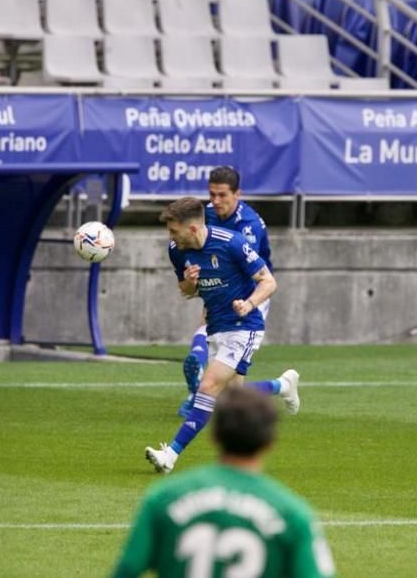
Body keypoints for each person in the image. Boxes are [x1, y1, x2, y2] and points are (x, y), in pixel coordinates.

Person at [146, 197, 299, 475]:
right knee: (232, 398)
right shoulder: (177, 250)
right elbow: (186, 291)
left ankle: (170, 454)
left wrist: (249, 304)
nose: (170, 236)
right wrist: (189, 284)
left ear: (192, 229)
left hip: (244, 327)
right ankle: (282, 385)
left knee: (207, 387)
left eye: (173, 230)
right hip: (216, 328)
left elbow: (269, 281)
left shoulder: (233, 243)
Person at [115, 387, 336, 577]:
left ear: (214, 436)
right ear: (270, 442)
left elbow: (126, 570)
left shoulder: (163, 499)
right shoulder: (293, 514)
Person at [178, 166, 274, 417]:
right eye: (211, 194)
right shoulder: (205, 215)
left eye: (222, 195)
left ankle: (280, 386)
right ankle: (199, 386)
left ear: (237, 194)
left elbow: (251, 273)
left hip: (251, 293)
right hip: (221, 286)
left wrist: (244, 303)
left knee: (231, 386)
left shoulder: (248, 225)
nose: (215, 201)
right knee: (224, 384)